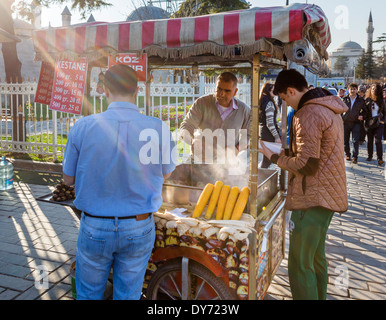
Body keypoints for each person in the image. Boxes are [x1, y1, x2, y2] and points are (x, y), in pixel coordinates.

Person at [62, 65, 176, 300]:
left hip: (95, 226)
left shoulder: (83, 127)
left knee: (88, 295)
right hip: (138, 226)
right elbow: (167, 173)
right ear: (136, 91)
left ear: (104, 90)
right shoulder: (157, 128)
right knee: (128, 295)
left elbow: (68, 179)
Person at [259, 69, 348, 300]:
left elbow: (307, 164)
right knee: (315, 259)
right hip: (327, 196)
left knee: (299, 264)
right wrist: (285, 151)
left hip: (312, 198)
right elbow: (314, 151)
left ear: (290, 91)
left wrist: (273, 157)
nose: (286, 104)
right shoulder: (328, 106)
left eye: (285, 99)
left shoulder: (307, 113)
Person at [179, 72, 251, 163]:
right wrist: (192, 141)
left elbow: (248, 135)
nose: (221, 94)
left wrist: (237, 148)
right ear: (215, 87)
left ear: (235, 92)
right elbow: (185, 127)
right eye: (219, 89)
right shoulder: (201, 103)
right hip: (199, 162)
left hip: (227, 164)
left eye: (227, 91)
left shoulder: (243, 110)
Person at [258, 83, 281, 168]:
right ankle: (260, 179)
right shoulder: (269, 103)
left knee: (266, 160)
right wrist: (277, 137)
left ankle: (259, 177)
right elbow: (270, 123)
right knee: (267, 160)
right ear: (269, 91)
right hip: (268, 135)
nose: (275, 92)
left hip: (262, 133)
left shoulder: (262, 101)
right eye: (273, 90)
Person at [341, 83, 365, 164]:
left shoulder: (361, 100)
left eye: (354, 89)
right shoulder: (344, 99)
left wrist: (362, 115)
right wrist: (341, 117)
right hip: (346, 122)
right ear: (348, 89)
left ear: (357, 90)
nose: (352, 90)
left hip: (356, 123)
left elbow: (365, 111)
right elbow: (340, 110)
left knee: (355, 140)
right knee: (345, 140)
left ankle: (355, 157)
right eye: (351, 89)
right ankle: (348, 154)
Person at [363, 83, 385, 165]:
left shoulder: (381, 101)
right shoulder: (367, 100)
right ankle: (370, 155)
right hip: (369, 123)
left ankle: (380, 158)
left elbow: (384, 112)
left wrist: (383, 120)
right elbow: (364, 112)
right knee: (370, 141)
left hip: (379, 123)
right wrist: (364, 118)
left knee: (378, 141)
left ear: (378, 91)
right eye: (372, 89)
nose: (373, 91)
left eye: (375, 90)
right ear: (370, 90)